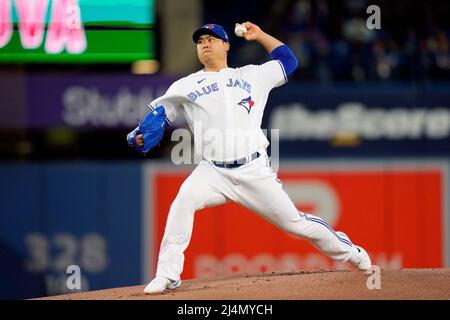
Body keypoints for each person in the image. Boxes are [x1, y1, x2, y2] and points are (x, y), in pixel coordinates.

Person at [132, 22, 371, 294]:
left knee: (296, 223)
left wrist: (259, 36)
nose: (205, 44)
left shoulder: (252, 75)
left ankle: (349, 251)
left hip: (253, 169)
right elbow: (154, 119)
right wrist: (137, 136)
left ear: (227, 45)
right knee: (182, 202)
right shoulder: (184, 85)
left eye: (212, 39)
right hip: (213, 172)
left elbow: (288, 61)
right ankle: (168, 274)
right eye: (200, 42)